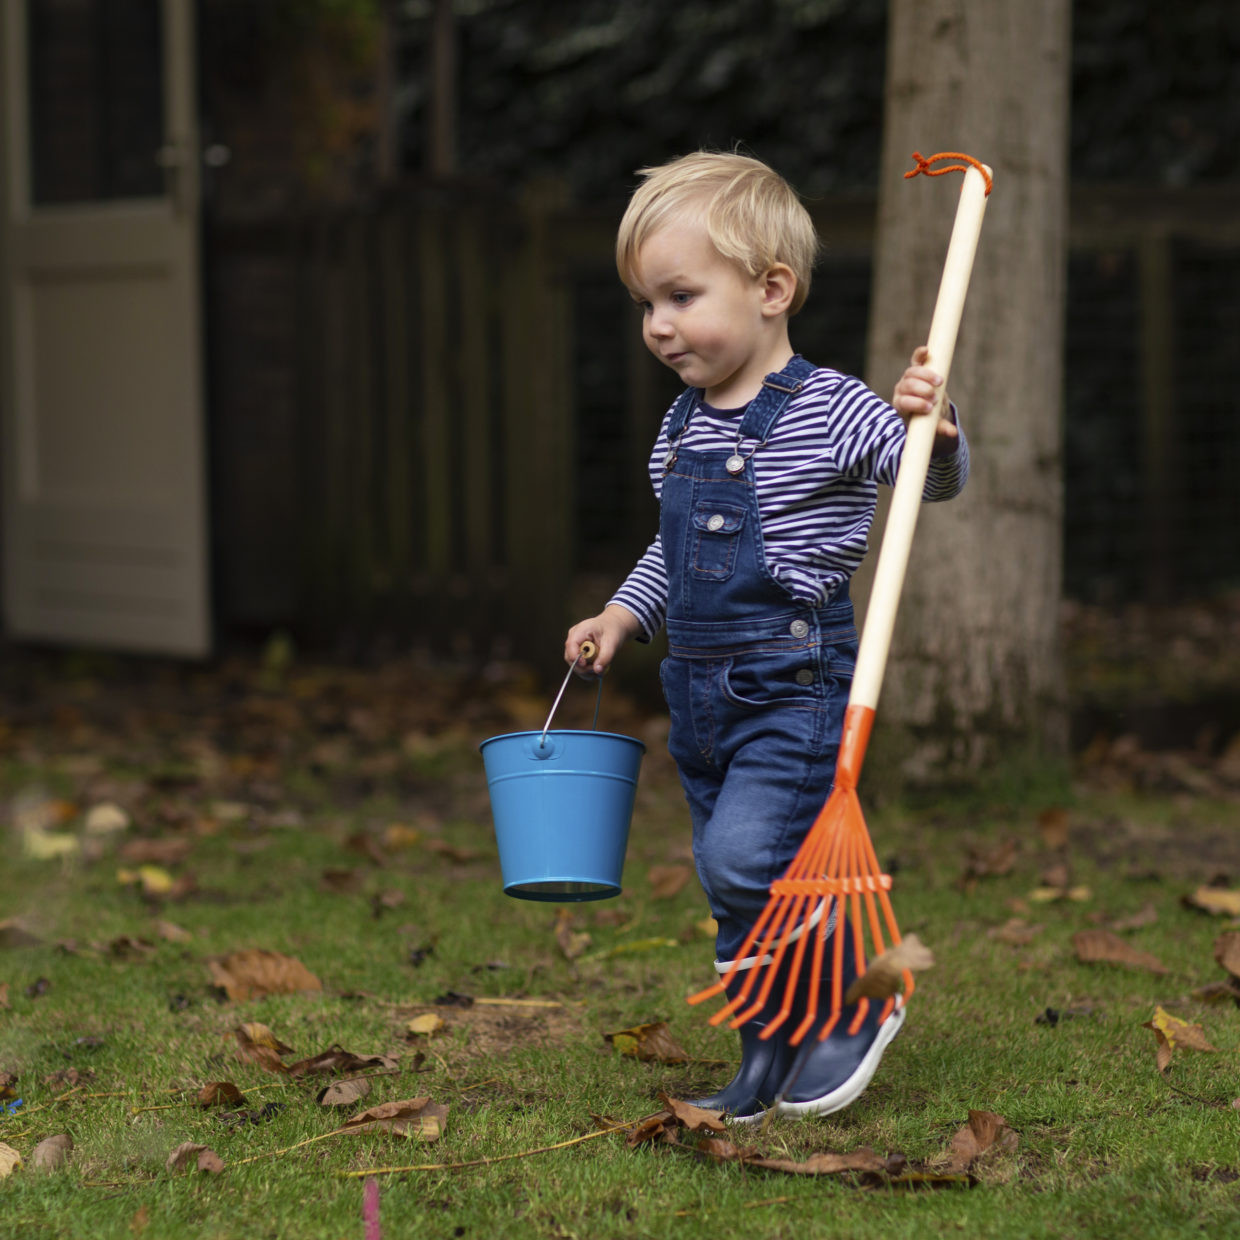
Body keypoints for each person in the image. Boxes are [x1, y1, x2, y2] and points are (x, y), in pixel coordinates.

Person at [565, 151, 968, 1121]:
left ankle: (857, 1005)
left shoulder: (832, 409)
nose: (658, 325)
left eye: (679, 295)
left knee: (752, 857)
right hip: (701, 695)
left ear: (770, 290)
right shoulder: (681, 427)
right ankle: (765, 1048)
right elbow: (672, 550)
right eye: (645, 304)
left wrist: (936, 432)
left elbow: (923, 483)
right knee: (731, 878)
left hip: (794, 681)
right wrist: (623, 614)